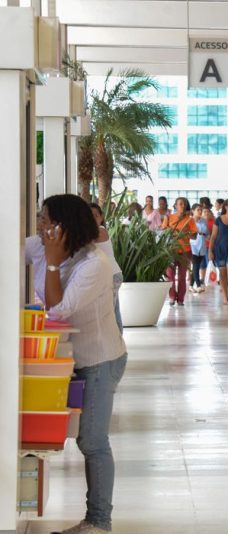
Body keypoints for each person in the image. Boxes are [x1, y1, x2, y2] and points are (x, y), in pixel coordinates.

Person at [26, 194, 127, 534]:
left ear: (63, 226)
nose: (40, 225)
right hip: (69, 357)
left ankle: (99, 521)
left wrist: (53, 263)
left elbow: (58, 310)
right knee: (78, 438)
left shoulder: (94, 264)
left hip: (100, 360)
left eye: (45, 219)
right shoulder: (41, 245)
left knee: (92, 441)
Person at [89, 203, 124, 333]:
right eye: (89, 215)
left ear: (101, 217)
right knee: (114, 310)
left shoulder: (100, 230)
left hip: (111, 275)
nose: (92, 218)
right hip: (109, 275)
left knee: (109, 311)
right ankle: (118, 338)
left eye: (96, 215)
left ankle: (115, 338)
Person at [161, 197, 198, 306]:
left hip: (185, 251)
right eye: (180, 204)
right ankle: (172, 297)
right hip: (170, 250)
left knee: (182, 277)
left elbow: (195, 236)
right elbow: (163, 232)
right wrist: (172, 231)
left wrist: (185, 233)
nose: (183, 206)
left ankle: (181, 299)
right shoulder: (168, 217)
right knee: (170, 276)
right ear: (175, 206)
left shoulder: (190, 220)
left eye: (184, 204)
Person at [189, 204, 209, 294]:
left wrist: (207, 236)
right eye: (198, 210)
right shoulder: (189, 220)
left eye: (201, 210)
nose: (200, 212)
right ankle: (198, 285)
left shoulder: (204, 221)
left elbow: (207, 233)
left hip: (202, 244)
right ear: (193, 211)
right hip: (192, 244)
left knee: (196, 266)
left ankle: (190, 285)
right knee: (196, 265)